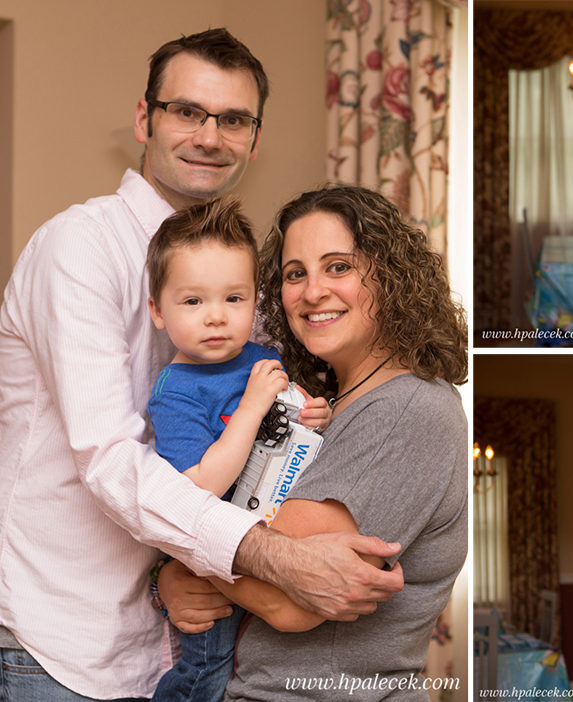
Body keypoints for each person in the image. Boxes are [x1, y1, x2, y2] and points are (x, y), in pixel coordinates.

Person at [0, 29, 401, 702]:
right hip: (63, 644)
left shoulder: (254, 281)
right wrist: (271, 559)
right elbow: (111, 462)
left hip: (188, 638)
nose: (210, 136)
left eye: (233, 119)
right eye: (187, 111)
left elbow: (249, 458)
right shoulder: (79, 248)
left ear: (254, 137)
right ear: (143, 119)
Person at [156, 185, 468, 701]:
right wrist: (170, 576)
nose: (312, 291)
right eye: (295, 273)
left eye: (339, 266)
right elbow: (259, 550)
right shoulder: (325, 403)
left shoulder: (408, 408)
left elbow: (287, 601)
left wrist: (188, 560)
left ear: (391, 277)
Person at [144, 196, 334, 702]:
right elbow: (200, 487)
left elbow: (291, 426)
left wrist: (314, 415)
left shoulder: (266, 355)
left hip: (270, 534)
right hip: (209, 562)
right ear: (156, 311)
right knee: (209, 669)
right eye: (193, 301)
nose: (216, 318)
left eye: (234, 299)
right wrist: (251, 407)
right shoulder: (175, 392)